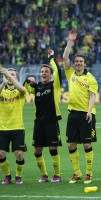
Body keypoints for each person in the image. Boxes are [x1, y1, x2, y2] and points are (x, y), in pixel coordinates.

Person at [63, 29, 98, 184]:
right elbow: (65, 57)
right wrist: (71, 41)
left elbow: (92, 96)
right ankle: (77, 173)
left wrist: (89, 112)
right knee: (71, 143)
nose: (78, 63)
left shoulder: (91, 78)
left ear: (84, 64)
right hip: (73, 113)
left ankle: (89, 173)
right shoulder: (70, 74)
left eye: (80, 62)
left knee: (86, 143)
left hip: (86, 114)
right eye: (76, 61)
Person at [24, 49, 62, 183]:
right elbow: (24, 89)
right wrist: (28, 80)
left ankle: (57, 174)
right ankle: (44, 174)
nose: (43, 73)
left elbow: (58, 70)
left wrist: (51, 57)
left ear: (51, 75)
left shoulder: (54, 85)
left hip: (51, 122)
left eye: (46, 71)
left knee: (53, 149)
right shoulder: (37, 87)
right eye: (42, 72)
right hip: (38, 123)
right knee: (37, 151)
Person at [0, 67, 26, 185]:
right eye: (8, 75)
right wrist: (3, 81)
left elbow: (22, 90)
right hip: (2, 128)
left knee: (19, 154)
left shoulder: (19, 91)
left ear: (16, 77)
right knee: (0, 154)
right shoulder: (2, 90)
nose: (10, 77)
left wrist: (8, 74)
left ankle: (18, 176)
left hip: (17, 127)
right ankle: (7, 175)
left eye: (13, 75)